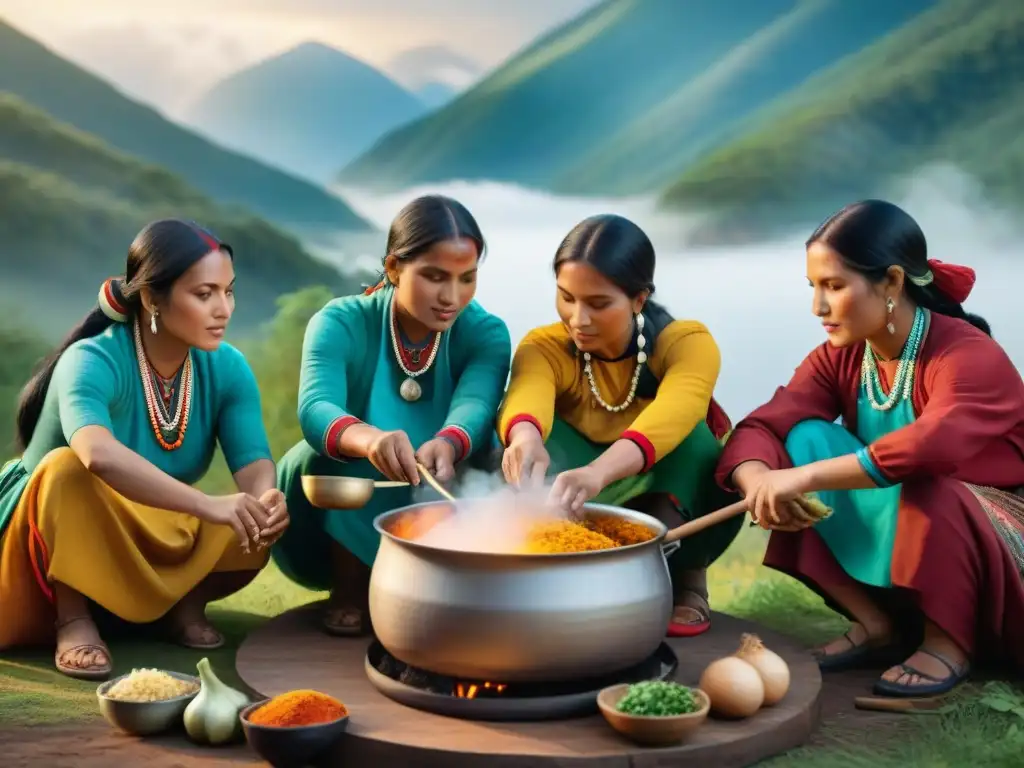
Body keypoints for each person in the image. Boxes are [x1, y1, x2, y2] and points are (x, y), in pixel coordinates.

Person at [716, 199, 1024, 698]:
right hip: (907, 519)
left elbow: (932, 447)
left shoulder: (968, 355)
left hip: (993, 531)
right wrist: (758, 479)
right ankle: (877, 623)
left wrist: (807, 478)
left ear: (892, 283)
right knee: (804, 439)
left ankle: (948, 641)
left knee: (931, 485)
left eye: (834, 287)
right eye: (813, 288)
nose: (818, 307)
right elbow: (766, 425)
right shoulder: (842, 357)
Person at [0, 219, 288, 681]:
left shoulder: (227, 367)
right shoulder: (92, 360)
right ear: (152, 298)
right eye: (204, 293)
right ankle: (73, 617)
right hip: (41, 547)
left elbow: (253, 460)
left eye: (229, 291)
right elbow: (99, 456)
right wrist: (209, 505)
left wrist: (267, 498)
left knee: (253, 515)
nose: (224, 309)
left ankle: (180, 607)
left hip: (145, 525)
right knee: (66, 469)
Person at [272, 195, 512, 637]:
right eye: (434, 277)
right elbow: (316, 408)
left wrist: (450, 442)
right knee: (322, 455)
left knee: (494, 461)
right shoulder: (341, 322)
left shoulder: (486, 333)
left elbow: (477, 405)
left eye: (467, 278)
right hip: (355, 472)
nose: (451, 296)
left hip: (448, 473)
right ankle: (348, 587)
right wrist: (370, 439)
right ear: (395, 267)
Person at [498, 213, 742, 637]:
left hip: (657, 486)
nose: (578, 319)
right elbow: (527, 392)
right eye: (566, 297)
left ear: (638, 299)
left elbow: (676, 412)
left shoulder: (686, 343)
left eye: (598, 303)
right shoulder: (544, 345)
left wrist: (599, 472)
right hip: (570, 493)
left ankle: (687, 577)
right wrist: (525, 436)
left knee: (698, 441)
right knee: (518, 435)